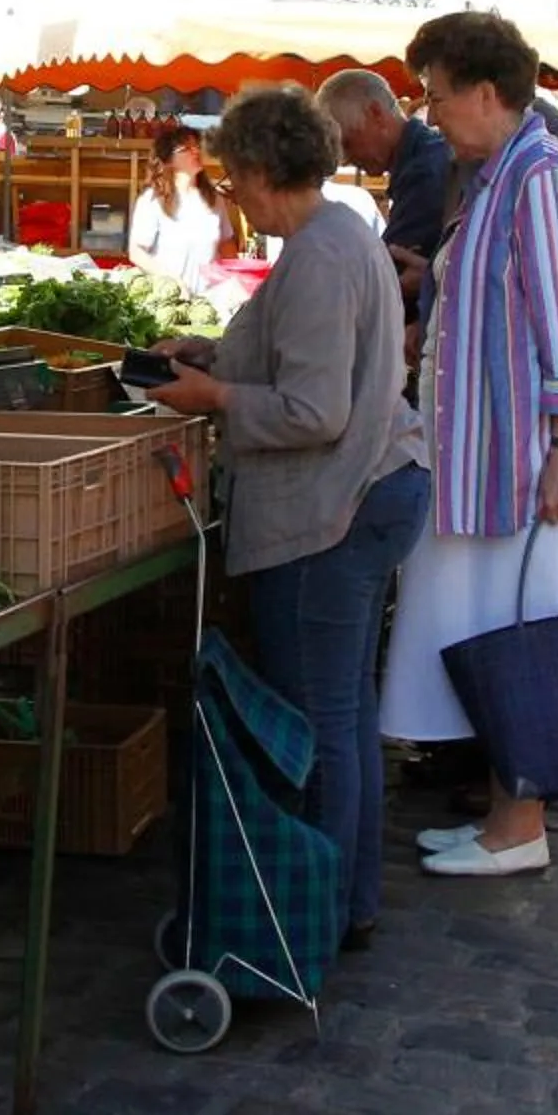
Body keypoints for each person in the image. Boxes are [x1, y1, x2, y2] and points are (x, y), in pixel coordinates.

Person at [147, 84, 429, 955]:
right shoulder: (341, 230)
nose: (232, 194)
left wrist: (214, 394)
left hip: (334, 506)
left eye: (234, 179)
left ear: (266, 172)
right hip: (377, 488)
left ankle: (318, 909)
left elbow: (314, 411)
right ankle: (349, 899)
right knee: (344, 709)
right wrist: (217, 355)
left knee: (320, 719)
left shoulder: (319, 254)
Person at [382, 12, 558, 880]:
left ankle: (519, 825)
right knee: (496, 637)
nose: (431, 113)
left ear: (487, 92)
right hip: (496, 464)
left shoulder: (544, 180)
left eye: (438, 95)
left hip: (533, 467)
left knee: (527, 643)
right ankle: (504, 814)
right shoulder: (504, 173)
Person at [315, 68, 452, 314]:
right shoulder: (420, 162)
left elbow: (382, 272)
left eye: (347, 143)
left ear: (376, 114)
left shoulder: (424, 171)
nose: (344, 160)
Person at [128, 125, 233, 301]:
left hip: (209, 300)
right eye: (186, 149)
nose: (195, 152)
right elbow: (137, 252)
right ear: (168, 159)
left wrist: (234, 281)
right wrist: (171, 280)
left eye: (196, 146)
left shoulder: (214, 199)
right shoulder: (152, 201)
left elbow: (227, 245)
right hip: (170, 299)